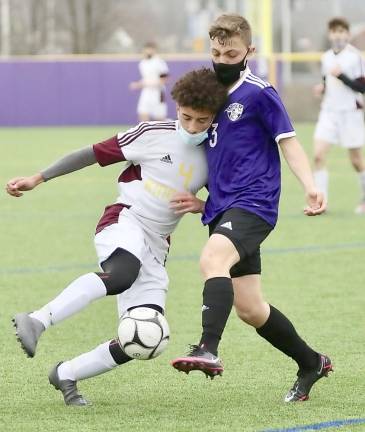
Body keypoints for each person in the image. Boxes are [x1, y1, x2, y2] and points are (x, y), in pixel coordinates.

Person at [6, 68, 227, 407]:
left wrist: (202, 204)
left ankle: (66, 373)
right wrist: (39, 177)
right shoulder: (152, 133)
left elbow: (226, 202)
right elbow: (91, 153)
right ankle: (37, 320)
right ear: (176, 107)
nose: (193, 127)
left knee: (147, 337)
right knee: (122, 275)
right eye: (186, 118)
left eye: (202, 121)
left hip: (157, 245)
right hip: (125, 220)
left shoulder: (216, 153)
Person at [170, 13, 333, 403]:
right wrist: (203, 201)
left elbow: (288, 142)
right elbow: (203, 145)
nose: (222, 60)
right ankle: (312, 362)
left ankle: (207, 348)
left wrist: (310, 186)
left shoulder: (259, 92)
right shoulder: (208, 93)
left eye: (231, 53)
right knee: (250, 308)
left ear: (249, 52)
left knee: (212, 261)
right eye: (215, 52)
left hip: (254, 203)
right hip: (221, 207)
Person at [313, 17, 365, 214]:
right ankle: (320, 202)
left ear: (348, 34)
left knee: (356, 161)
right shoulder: (325, 57)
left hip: (350, 113)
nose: (339, 35)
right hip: (328, 113)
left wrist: (342, 76)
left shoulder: (355, 57)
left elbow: (362, 87)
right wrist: (322, 88)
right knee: (318, 156)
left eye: (342, 31)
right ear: (330, 35)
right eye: (335, 31)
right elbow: (327, 81)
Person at [129, 42, 169, 122]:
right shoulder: (142, 63)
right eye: (147, 49)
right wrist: (138, 84)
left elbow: (164, 79)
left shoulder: (159, 62)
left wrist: (145, 84)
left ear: (154, 50)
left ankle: (172, 127)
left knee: (160, 119)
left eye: (151, 49)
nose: (148, 51)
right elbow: (145, 79)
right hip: (146, 92)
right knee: (142, 114)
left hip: (158, 92)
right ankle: (146, 134)